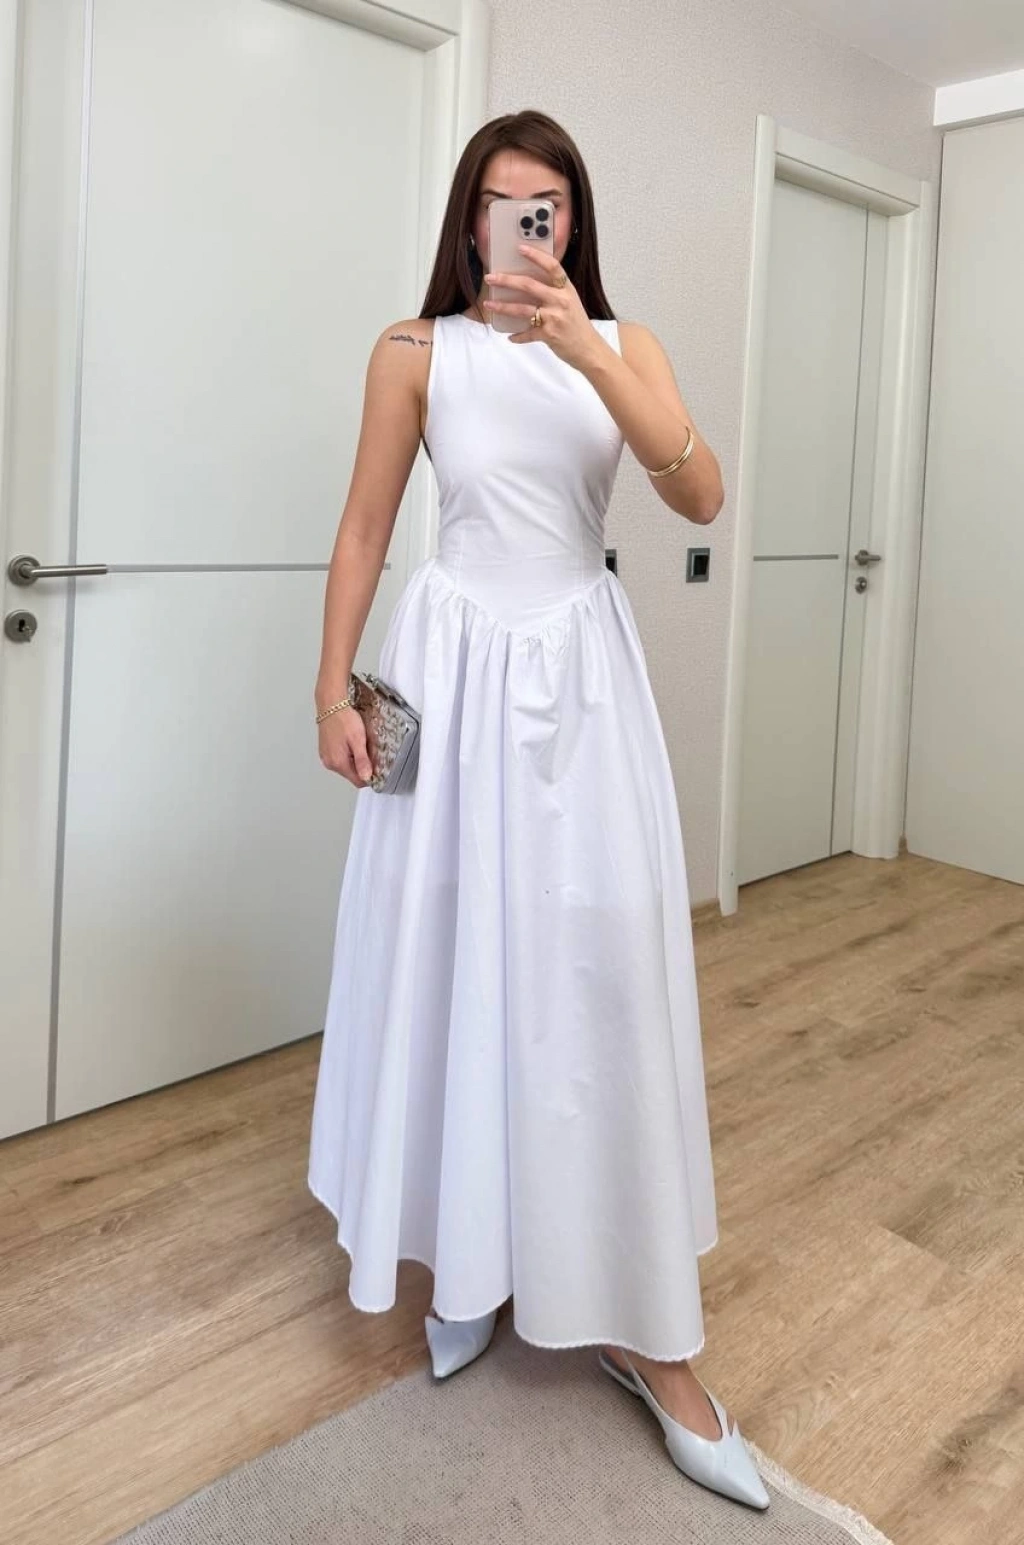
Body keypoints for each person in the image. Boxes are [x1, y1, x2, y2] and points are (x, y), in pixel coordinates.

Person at [307, 109, 768, 1512]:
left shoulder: (623, 344)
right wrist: (330, 686)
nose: (528, 225)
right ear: (470, 220)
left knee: (597, 970)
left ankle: (646, 1333)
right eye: (506, 204)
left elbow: (701, 493)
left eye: (550, 205)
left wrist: (585, 350)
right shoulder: (412, 348)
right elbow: (366, 526)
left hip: (580, 677)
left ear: (574, 222)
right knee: (450, 955)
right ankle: (466, 1262)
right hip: (451, 667)